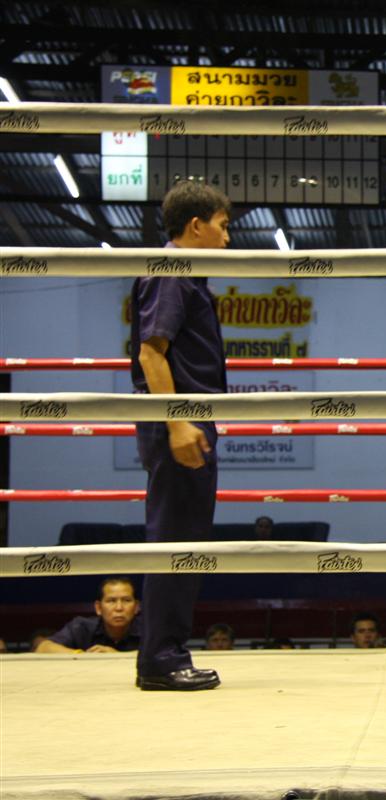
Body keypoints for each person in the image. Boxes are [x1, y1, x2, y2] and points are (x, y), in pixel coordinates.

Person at [130, 180, 231, 691]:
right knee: (175, 539)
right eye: (222, 226)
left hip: (187, 418)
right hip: (179, 419)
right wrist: (176, 421)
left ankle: (166, 653)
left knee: (185, 537)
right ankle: (161, 658)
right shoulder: (171, 271)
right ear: (196, 225)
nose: (227, 238)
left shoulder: (184, 275)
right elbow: (151, 352)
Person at [36, 577, 142, 654]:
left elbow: (153, 656)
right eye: (111, 601)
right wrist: (82, 656)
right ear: (98, 608)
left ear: (136, 607)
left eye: (126, 600)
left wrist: (117, 656)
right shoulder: (81, 627)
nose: (119, 608)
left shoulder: (148, 629)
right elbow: (43, 648)